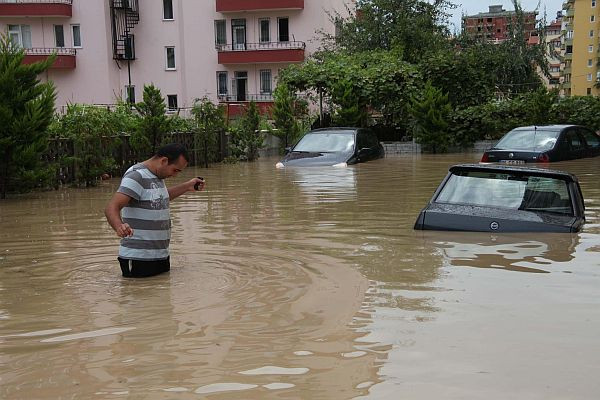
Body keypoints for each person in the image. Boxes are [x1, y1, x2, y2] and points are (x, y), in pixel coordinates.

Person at [104, 143, 204, 278]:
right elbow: (111, 207)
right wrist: (119, 226)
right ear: (164, 161)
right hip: (139, 257)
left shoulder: (156, 177)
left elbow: (158, 199)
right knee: (137, 297)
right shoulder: (136, 176)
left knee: (161, 297)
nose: (174, 175)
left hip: (160, 255)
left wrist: (187, 186)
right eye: (175, 170)